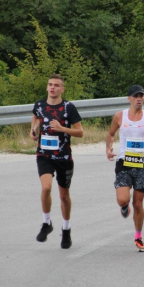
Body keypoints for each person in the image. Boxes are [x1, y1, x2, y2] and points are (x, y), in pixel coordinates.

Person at [106, 85, 144, 252]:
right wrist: (109, 148)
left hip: (143, 164)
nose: (139, 98)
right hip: (124, 162)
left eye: (141, 96)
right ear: (129, 98)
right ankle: (124, 207)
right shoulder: (120, 116)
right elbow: (110, 134)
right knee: (123, 200)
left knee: (138, 204)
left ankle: (138, 236)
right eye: (136, 96)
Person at [30, 74, 83, 249]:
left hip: (64, 158)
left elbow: (80, 132)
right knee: (46, 188)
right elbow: (36, 118)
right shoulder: (39, 105)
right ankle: (46, 223)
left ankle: (66, 229)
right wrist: (33, 130)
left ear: (62, 89)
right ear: (47, 87)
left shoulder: (69, 108)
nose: (52, 88)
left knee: (64, 196)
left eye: (56, 85)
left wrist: (62, 129)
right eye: (50, 85)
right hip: (44, 155)